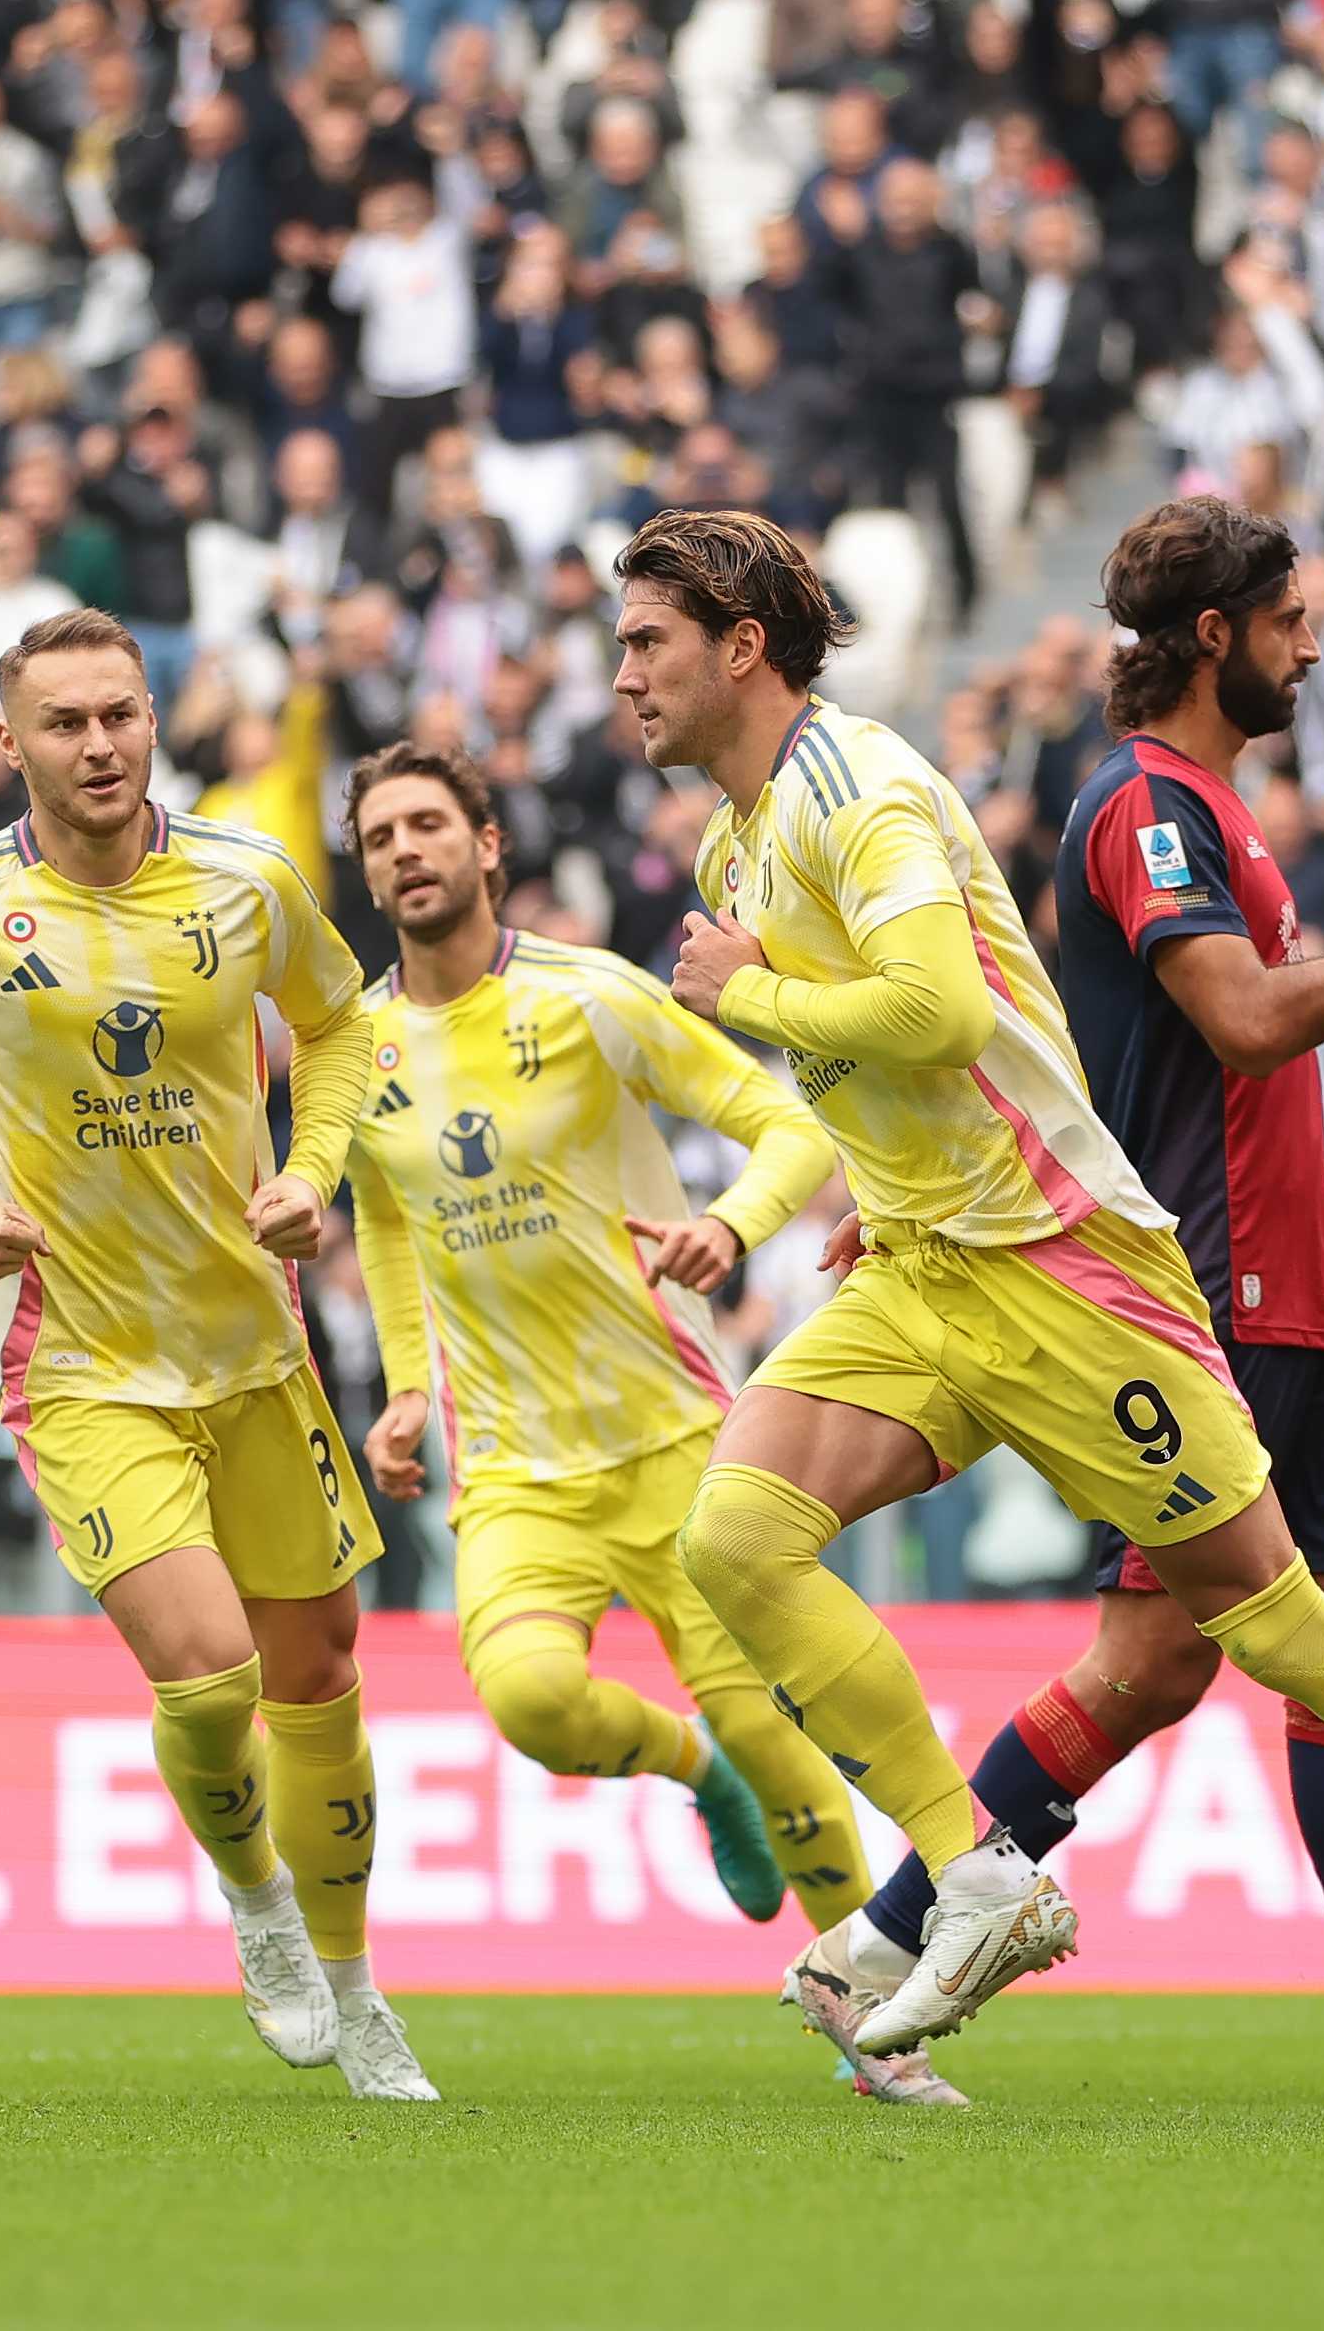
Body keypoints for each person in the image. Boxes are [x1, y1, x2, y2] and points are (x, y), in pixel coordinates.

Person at [610, 509, 1324, 2118]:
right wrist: (874, 1201)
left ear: (740, 645)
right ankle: (970, 1879)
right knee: (734, 1534)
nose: (623, 679)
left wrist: (743, 991)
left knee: (1280, 1628)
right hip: (931, 1267)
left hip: (1070, 1268)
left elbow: (941, 1011)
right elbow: (903, 1065)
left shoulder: (854, 787)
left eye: (644, 644)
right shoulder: (740, 845)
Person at [825, 505, 1324, 2107]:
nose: (1308, 643)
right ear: (1212, 634)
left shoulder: (1217, 805)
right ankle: (875, 1951)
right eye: (1285, 617)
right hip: (1201, 1294)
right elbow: (1241, 1024)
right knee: (1151, 1663)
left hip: (1305, 1290)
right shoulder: (1144, 810)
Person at [0, 607, 431, 2105]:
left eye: (119, 716)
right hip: (79, 1362)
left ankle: (355, 1984)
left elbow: (338, 1027)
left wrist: (313, 1167)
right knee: (209, 1680)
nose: (98, 745)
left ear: (154, 723)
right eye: (64, 723)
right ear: (5, 743)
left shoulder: (249, 880)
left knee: (319, 1670)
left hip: (255, 1352)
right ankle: (260, 1906)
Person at [333, 741, 915, 2093]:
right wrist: (406, 1386)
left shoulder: (592, 997)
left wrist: (728, 1224)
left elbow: (786, 1127)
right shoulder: (352, 1051)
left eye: (429, 824)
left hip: (678, 1447)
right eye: (378, 837)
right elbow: (380, 1211)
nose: (403, 850)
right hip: (519, 1469)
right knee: (533, 1703)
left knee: (785, 1743)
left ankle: (869, 2027)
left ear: (488, 846)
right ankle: (686, 1766)